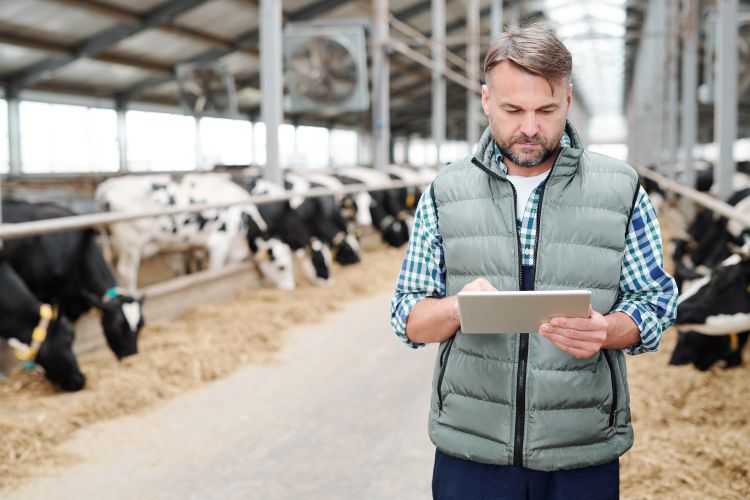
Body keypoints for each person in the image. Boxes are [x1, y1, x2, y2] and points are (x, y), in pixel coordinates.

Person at [389, 24, 677, 500]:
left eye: (545, 110)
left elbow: (656, 304)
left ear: (567, 100)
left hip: (580, 451)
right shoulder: (446, 192)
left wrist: (608, 329)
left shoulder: (621, 190)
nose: (529, 127)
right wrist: (455, 308)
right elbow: (407, 318)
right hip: (471, 451)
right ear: (486, 100)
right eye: (512, 109)